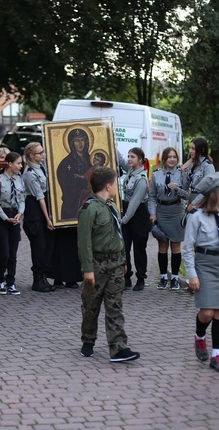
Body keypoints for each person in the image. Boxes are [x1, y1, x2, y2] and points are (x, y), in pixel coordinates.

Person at [78, 166, 140, 363]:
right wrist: (88, 270)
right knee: (91, 306)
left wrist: (123, 260)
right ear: (108, 185)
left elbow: (117, 236)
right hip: (97, 264)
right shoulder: (89, 209)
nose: (116, 187)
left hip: (115, 263)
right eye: (115, 184)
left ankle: (118, 348)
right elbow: (84, 242)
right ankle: (88, 341)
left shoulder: (111, 206)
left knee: (115, 305)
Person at [183, 172, 219, 373]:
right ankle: (199, 337)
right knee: (207, 312)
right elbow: (187, 248)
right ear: (215, 194)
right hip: (204, 266)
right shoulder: (195, 218)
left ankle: (217, 355)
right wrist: (192, 274)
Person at [148, 147, 187, 290]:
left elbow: (188, 195)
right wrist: (152, 213)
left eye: (174, 157)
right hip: (161, 212)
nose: (172, 159)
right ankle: (163, 277)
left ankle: (175, 279)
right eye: (169, 157)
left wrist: (178, 189)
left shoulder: (182, 174)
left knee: (176, 246)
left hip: (177, 212)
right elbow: (151, 196)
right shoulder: (156, 175)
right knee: (162, 246)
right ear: (164, 159)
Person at [22, 142, 56, 292]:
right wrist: (48, 219)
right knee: (38, 246)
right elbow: (39, 197)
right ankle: (38, 280)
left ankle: (43, 278)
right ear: (31, 156)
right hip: (34, 212)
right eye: (40, 153)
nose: (43, 155)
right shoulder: (30, 173)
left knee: (46, 245)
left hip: (42, 210)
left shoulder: (41, 167)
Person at [120, 147, 152, 291]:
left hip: (138, 214)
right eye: (128, 156)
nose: (129, 159)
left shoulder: (142, 180)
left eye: (132, 157)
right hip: (127, 210)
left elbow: (134, 203)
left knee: (139, 247)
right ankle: (127, 277)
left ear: (140, 160)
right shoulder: (131, 172)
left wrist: (124, 219)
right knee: (124, 246)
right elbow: (120, 161)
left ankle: (141, 278)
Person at [0, 152, 25, 295]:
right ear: (10, 164)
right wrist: (5, 217)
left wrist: (20, 213)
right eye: (18, 163)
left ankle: (11, 282)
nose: (21, 166)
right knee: (4, 253)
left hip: (15, 216)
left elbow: (22, 199)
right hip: (3, 218)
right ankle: (0, 280)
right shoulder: (0, 179)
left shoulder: (19, 179)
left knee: (13, 254)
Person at [57, 127, 92, 220]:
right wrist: (85, 186)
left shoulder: (92, 160)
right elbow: (67, 187)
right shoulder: (65, 164)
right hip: (73, 207)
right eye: (77, 141)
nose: (80, 144)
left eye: (82, 140)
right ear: (72, 144)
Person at [181, 137, 215, 208]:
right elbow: (185, 187)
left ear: (201, 150)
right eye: (190, 148)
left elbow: (208, 189)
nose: (190, 151)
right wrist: (183, 170)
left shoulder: (207, 166)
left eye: (193, 149)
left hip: (201, 204)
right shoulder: (192, 165)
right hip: (189, 201)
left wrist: (194, 204)